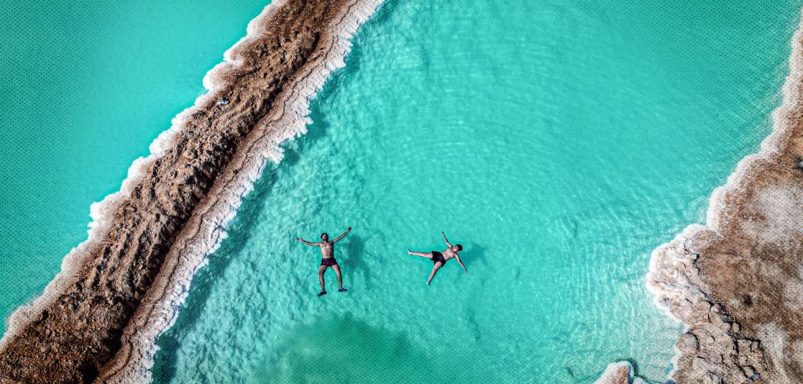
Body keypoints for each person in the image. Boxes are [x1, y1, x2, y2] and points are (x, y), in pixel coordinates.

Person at [297, 227, 351, 296]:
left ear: (327, 237)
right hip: (324, 261)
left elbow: (340, 237)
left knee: (338, 272)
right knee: (320, 274)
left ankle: (340, 287)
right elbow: (310, 243)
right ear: (321, 237)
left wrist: (347, 231)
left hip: (332, 260)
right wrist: (302, 240)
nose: (325, 236)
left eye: (326, 235)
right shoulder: (320, 244)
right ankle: (323, 290)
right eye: (323, 235)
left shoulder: (331, 242)